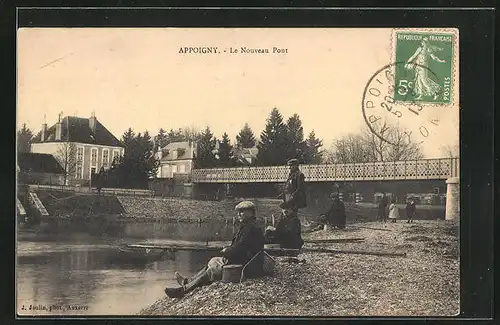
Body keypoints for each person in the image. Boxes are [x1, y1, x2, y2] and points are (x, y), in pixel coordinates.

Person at [164, 201, 264, 298]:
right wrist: (228, 250)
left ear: (251, 212)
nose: (239, 214)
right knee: (212, 261)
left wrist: (226, 252)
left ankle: (183, 290)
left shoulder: (250, 228)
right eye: (238, 212)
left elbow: (241, 248)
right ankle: (188, 281)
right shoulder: (249, 226)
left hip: (247, 266)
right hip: (246, 260)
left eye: (242, 211)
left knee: (212, 269)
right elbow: (240, 246)